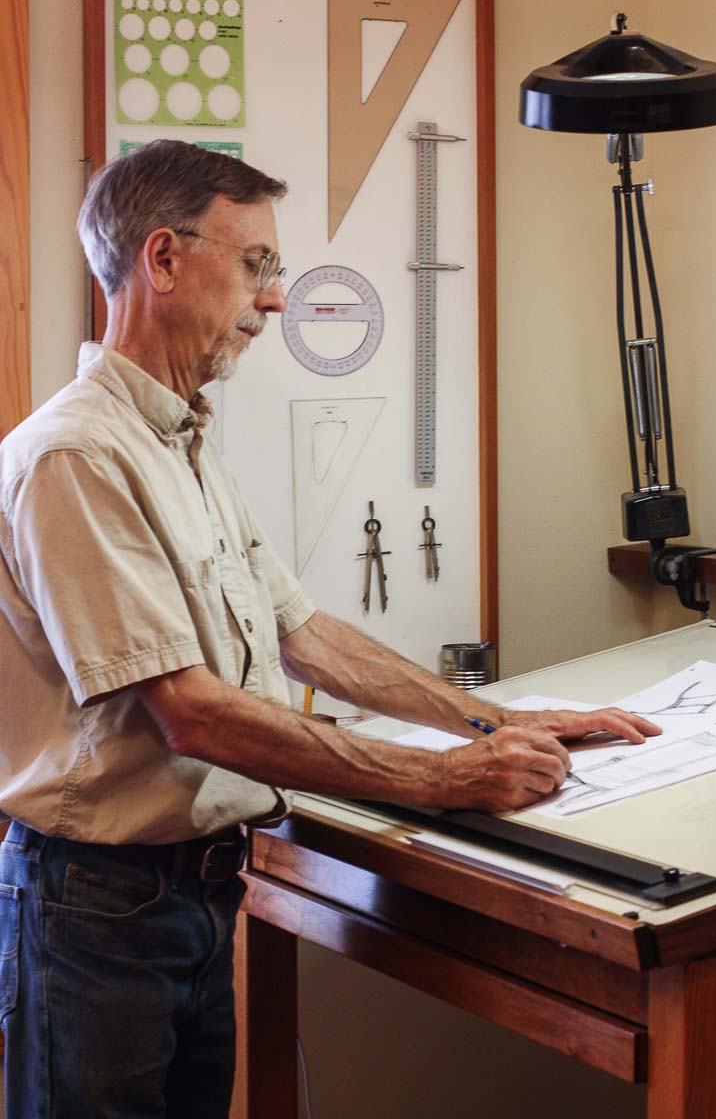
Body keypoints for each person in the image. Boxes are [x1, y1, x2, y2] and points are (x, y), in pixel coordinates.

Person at [0, 140, 659, 1118]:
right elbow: (192, 716)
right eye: (256, 263)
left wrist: (489, 725)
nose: (273, 299)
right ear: (164, 259)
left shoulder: (177, 438)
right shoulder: (78, 458)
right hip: (97, 909)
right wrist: (442, 779)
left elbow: (303, 632)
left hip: (193, 894)